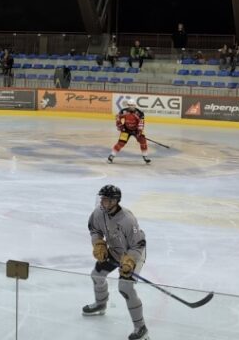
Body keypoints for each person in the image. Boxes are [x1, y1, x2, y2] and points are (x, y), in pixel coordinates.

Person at [83, 184, 149, 340]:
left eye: (105, 199)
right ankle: (101, 303)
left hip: (134, 254)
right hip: (114, 251)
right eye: (102, 198)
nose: (102, 202)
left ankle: (141, 328)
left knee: (125, 287)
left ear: (114, 201)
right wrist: (98, 243)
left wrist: (129, 261)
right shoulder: (98, 213)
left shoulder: (127, 219)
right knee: (97, 274)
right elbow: (94, 229)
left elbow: (138, 244)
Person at [108, 98, 149, 164]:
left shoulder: (140, 113)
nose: (131, 107)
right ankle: (112, 155)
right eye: (130, 105)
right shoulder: (123, 111)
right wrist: (120, 126)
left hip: (136, 130)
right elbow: (117, 118)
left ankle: (145, 156)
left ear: (135, 105)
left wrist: (139, 131)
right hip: (125, 130)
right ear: (128, 105)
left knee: (143, 141)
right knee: (121, 143)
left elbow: (141, 123)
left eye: (132, 105)